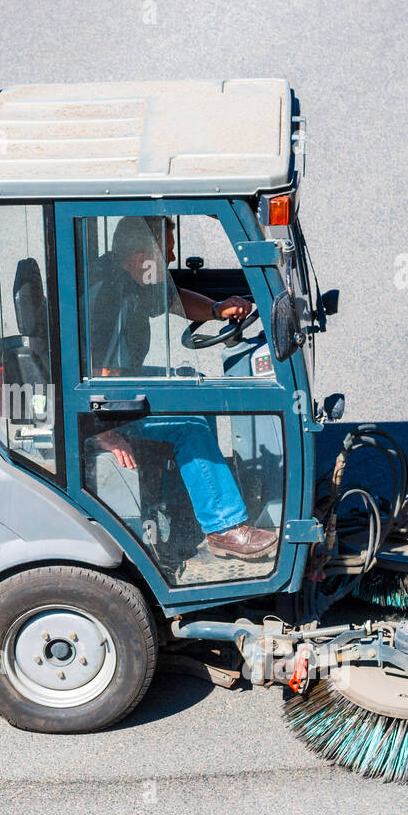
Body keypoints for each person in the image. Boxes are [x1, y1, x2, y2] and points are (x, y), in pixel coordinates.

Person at [87, 216, 277, 560]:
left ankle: (188, 506)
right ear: (140, 257)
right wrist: (105, 432)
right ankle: (224, 526)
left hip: (120, 387)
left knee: (190, 383)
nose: (172, 259)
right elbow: (98, 374)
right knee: (191, 427)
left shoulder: (130, 276)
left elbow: (173, 300)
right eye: (167, 252)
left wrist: (217, 310)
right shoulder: (109, 296)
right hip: (102, 407)